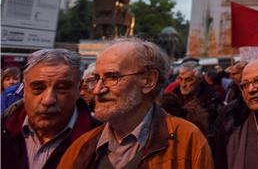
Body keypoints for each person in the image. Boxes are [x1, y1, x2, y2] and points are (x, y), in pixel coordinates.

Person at [58, 38, 213, 168]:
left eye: (112, 77)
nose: (97, 90)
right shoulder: (81, 147)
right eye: (96, 79)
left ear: (148, 81)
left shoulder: (188, 140)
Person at [2, 49, 99, 169]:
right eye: (38, 88)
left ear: (79, 89)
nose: (48, 100)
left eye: (62, 88)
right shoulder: (4, 129)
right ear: (24, 88)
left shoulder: (101, 142)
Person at [160, 62, 222, 139]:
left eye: (188, 80)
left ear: (199, 79)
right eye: (181, 79)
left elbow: (216, 132)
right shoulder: (172, 99)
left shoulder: (212, 100)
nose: (183, 84)